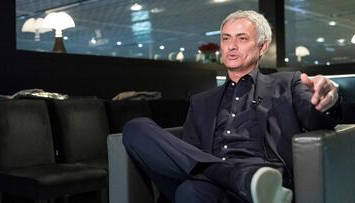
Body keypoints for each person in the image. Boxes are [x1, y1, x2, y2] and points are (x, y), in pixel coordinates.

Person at [122, 10, 341, 203]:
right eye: (226, 38)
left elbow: (315, 117)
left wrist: (327, 100)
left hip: (265, 185)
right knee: (135, 127)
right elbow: (187, 155)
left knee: (190, 192)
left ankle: (245, 180)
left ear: (262, 46)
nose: (231, 46)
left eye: (242, 38)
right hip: (213, 184)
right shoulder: (201, 101)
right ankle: (234, 177)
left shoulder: (287, 83)